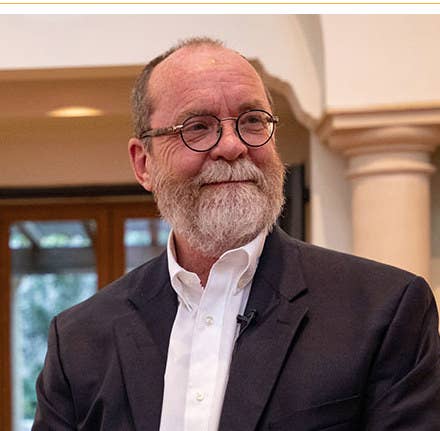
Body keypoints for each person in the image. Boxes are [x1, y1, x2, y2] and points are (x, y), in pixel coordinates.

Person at [33, 37, 440, 431]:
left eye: (251, 121)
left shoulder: (384, 310)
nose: (232, 145)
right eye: (198, 127)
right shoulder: (79, 340)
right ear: (144, 164)